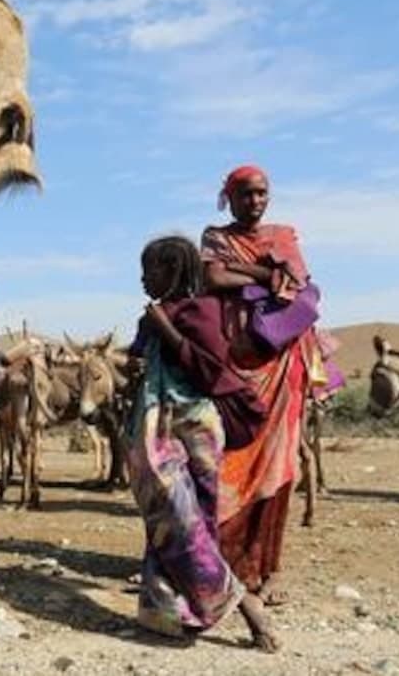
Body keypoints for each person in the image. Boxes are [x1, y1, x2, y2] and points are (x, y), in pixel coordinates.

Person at [123, 236, 277, 651]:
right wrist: (133, 358)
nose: (142, 278)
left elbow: (212, 369)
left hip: (197, 428)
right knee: (169, 518)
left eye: (150, 269)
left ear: (173, 271)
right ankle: (170, 612)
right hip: (158, 427)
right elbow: (137, 358)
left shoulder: (202, 311)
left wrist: (166, 330)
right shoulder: (150, 317)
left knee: (192, 524)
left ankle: (243, 604)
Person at [200, 165, 324, 606]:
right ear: (229, 197)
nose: (255, 202)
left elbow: (295, 285)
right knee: (227, 462)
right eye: (247, 194)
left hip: (281, 365)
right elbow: (212, 278)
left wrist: (244, 271)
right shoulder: (215, 236)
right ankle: (221, 565)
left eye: (262, 194)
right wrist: (260, 275)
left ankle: (268, 568)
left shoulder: (284, 235)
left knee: (279, 468)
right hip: (236, 361)